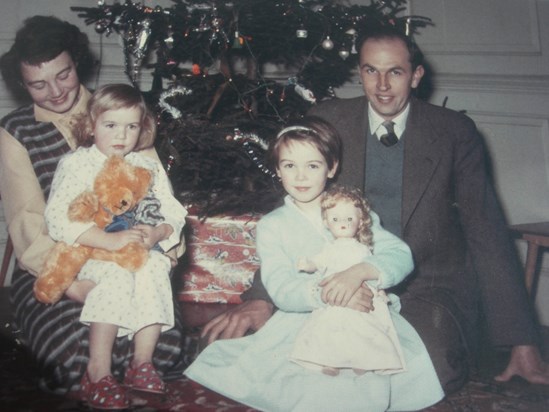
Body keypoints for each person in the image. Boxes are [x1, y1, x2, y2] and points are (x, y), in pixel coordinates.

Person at [201, 23, 549, 393]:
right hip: (336, 279)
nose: (382, 86)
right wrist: (262, 299)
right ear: (361, 72)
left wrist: (521, 339)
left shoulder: (454, 132)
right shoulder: (332, 118)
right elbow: (296, 211)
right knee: (298, 365)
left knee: (429, 372)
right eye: (371, 70)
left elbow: (487, 230)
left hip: (428, 285)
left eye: (395, 72)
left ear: (415, 76)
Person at [185, 117, 444, 412]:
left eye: (312, 165)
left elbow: (399, 254)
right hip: (306, 318)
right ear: (277, 170)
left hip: (366, 316)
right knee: (311, 385)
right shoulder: (273, 226)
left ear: (331, 168)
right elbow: (280, 285)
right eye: (289, 165)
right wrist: (326, 293)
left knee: (375, 379)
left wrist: (359, 273)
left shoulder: (352, 210)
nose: (300, 176)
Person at [0, 16, 187, 399]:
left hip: (131, 254)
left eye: (63, 75)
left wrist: (164, 251)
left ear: (78, 64)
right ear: (22, 84)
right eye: (38, 84)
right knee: (72, 357)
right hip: (56, 263)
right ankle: (95, 374)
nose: (55, 91)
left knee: (167, 349)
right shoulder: (15, 131)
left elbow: (159, 198)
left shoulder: (120, 112)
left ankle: (138, 368)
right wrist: (73, 285)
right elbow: (28, 223)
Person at [43, 83, 187, 409]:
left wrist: (158, 231)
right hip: (95, 251)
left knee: (156, 266)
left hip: (139, 247)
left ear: (143, 128)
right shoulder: (77, 163)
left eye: (132, 126)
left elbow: (173, 210)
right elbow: (58, 219)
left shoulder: (146, 165)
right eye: (111, 125)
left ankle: (142, 363)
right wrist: (109, 240)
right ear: (91, 125)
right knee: (117, 275)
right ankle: (98, 372)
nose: (122, 135)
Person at [292, 184, 405, 376]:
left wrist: (379, 290)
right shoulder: (330, 248)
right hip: (334, 294)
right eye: (336, 219)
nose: (342, 224)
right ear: (327, 222)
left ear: (360, 222)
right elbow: (319, 262)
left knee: (361, 329)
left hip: (358, 292)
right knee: (331, 328)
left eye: (349, 219)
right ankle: (329, 361)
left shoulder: (362, 249)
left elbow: (371, 269)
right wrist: (307, 264)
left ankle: (362, 359)